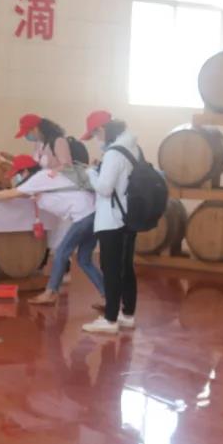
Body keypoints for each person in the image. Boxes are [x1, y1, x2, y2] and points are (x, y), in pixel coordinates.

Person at [0, 154, 105, 305]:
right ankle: (107, 297)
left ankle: (51, 293)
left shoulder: (39, 178)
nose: (18, 178)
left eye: (19, 174)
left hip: (84, 216)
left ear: (26, 171)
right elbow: (25, 194)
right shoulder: (46, 176)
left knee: (61, 253)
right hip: (95, 214)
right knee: (84, 259)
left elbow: (12, 193)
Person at [81, 110, 139, 334]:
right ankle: (128, 314)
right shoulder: (132, 147)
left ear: (102, 129)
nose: (97, 140)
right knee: (126, 267)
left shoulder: (114, 153)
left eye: (96, 134)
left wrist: (91, 173)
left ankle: (110, 319)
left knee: (111, 268)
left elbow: (105, 189)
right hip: (129, 216)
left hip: (111, 219)